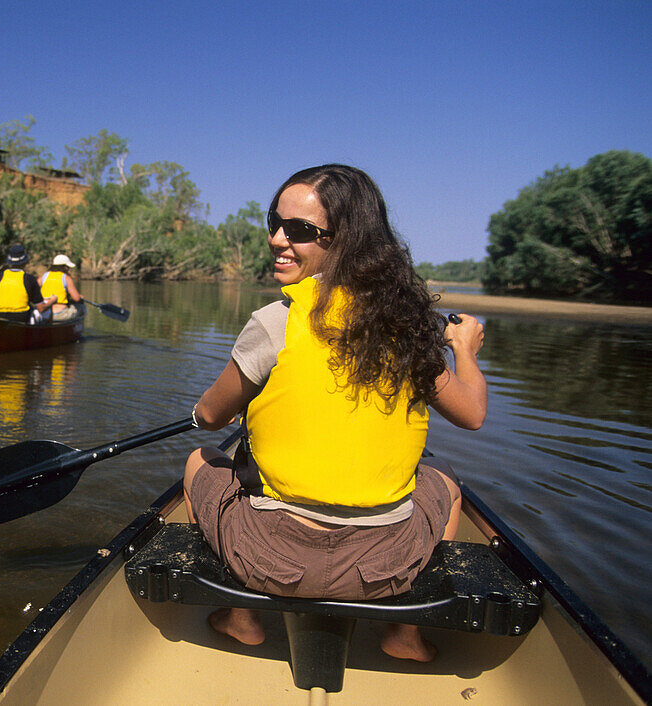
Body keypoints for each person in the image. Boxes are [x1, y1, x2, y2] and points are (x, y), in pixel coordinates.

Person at [183, 164, 487, 663]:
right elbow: (472, 412)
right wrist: (464, 349)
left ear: (345, 241)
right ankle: (404, 635)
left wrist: (207, 410)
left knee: (199, 460)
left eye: (300, 231)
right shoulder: (406, 327)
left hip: (272, 562)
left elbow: (212, 417)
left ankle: (242, 620)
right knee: (445, 478)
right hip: (384, 568)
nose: (277, 239)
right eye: (274, 223)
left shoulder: (274, 322)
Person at [0, 244, 56, 324]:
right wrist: (52, 301)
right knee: (47, 311)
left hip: (0, 318)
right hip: (22, 319)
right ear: (25, 262)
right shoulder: (30, 279)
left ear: (9, 262)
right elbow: (41, 308)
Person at [39, 254, 84, 321]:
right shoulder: (66, 278)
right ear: (65, 267)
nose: (68, 269)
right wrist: (81, 297)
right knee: (81, 306)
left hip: (45, 313)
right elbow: (77, 299)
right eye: (68, 267)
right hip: (60, 314)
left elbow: (33, 289)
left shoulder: (44, 276)